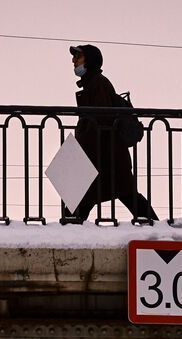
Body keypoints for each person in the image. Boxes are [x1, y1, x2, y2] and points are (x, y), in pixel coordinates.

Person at [67, 44, 158, 224]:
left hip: (105, 156)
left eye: (78, 57)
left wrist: (84, 143)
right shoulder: (94, 83)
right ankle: (155, 225)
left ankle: (68, 232)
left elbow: (102, 120)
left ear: (90, 60)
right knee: (120, 194)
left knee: (85, 197)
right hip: (105, 157)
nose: (73, 61)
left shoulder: (98, 83)